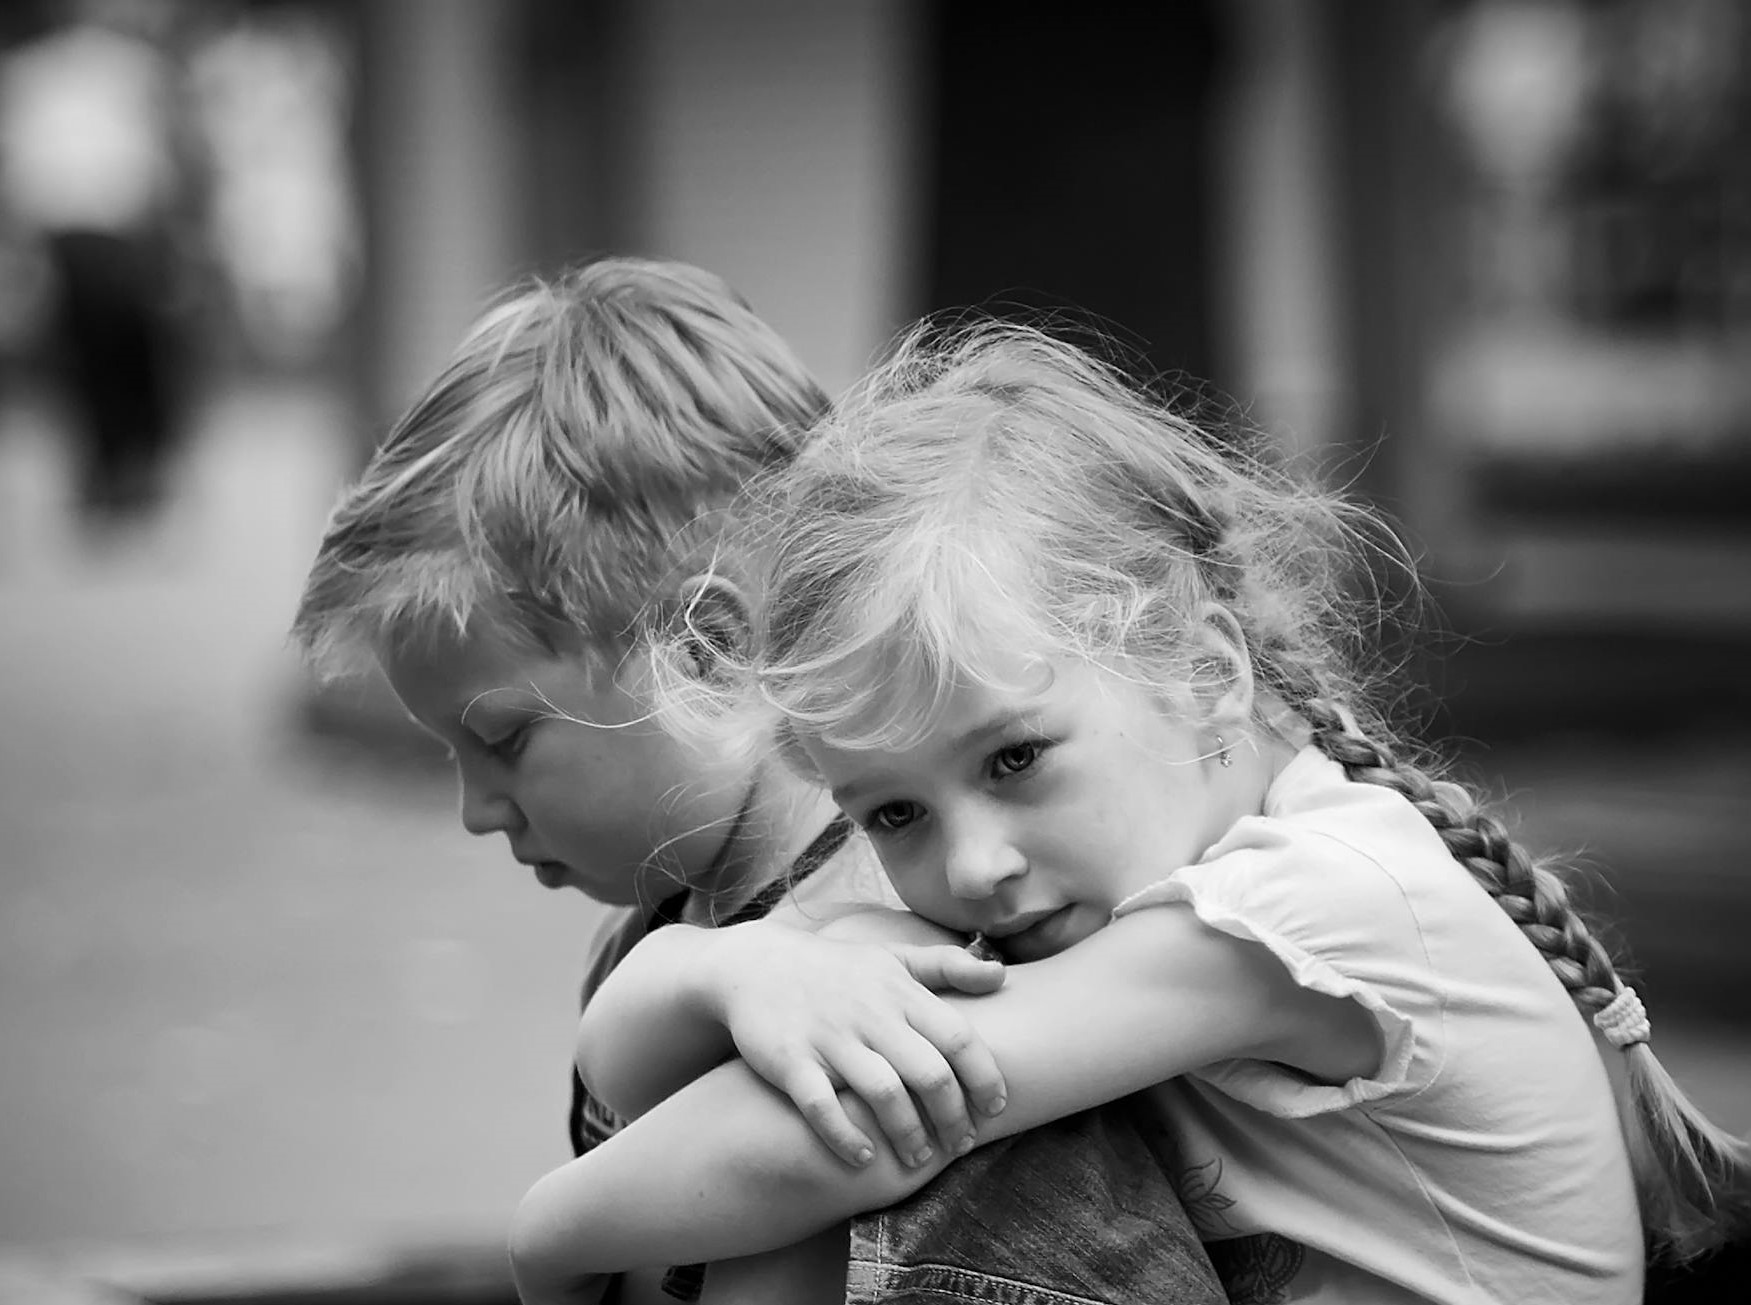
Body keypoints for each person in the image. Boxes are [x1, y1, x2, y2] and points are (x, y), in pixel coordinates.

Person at [507, 321, 1751, 1305]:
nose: (974, 865)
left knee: (881, 1072)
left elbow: (833, 1142)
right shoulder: (1151, 890)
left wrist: (548, 1237)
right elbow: (627, 1074)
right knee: (856, 993)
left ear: (1203, 670)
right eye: (890, 816)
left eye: (1013, 762)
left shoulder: (1305, 901)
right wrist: (727, 974)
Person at [291, 262, 1225, 1305]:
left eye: (503, 741)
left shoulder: (903, 939)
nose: (476, 811)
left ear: (708, 652)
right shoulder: (682, 927)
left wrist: (550, 1239)